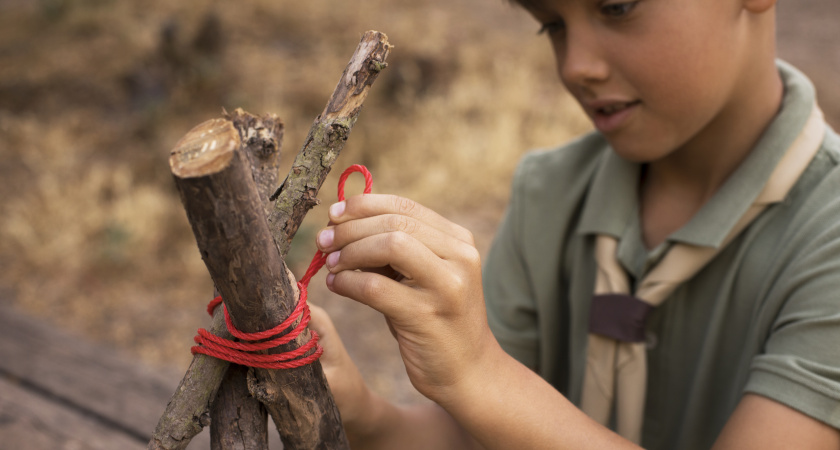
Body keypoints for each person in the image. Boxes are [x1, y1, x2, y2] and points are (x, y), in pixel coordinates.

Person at [307, 0, 840, 448]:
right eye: (553, 25)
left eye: (617, 7)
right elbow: (474, 435)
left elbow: (490, 392)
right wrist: (364, 413)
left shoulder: (826, 232)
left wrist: (481, 373)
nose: (576, 67)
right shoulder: (550, 191)